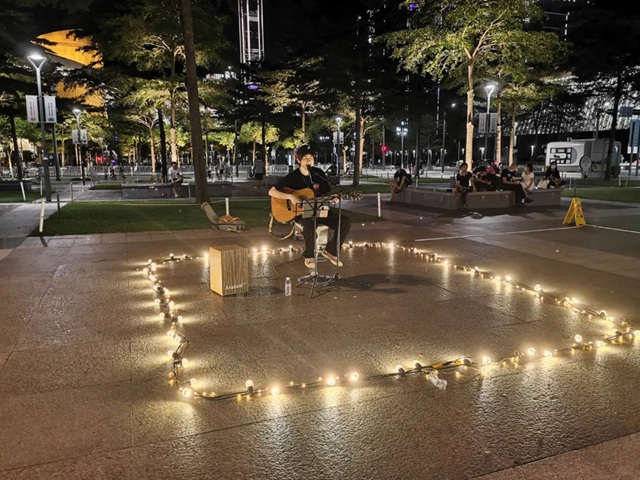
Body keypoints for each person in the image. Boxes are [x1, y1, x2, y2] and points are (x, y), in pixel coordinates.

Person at [269, 145, 351, 269]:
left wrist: (332, 198)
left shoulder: (318, 174)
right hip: (300, 213)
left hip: (318, 210)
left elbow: (325, 194)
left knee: (345, 221)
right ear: (299, 160)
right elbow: (272, 192)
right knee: (310, 225)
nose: (309, 160)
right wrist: (290, 197)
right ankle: (309, 256)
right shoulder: (293, 176)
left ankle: (330, 251)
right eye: (305, 157)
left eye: (311, 157)